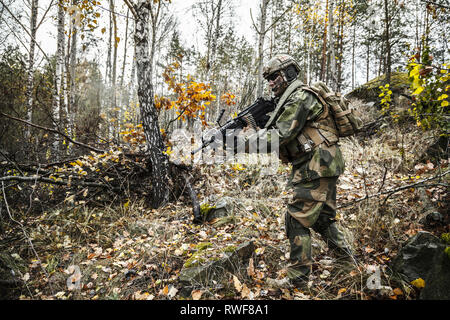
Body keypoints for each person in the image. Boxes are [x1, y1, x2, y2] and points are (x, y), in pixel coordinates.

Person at [237, 54, 353, 286]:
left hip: (316, 165)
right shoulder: (293, 98)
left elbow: (280, 136)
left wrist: (242, 142)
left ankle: (297, 281)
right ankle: (349, 264)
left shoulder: (300, 97)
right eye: (267, 79)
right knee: (322, 219)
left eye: (273, 77)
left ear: (289, 73)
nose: (270, 83)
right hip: (322, 163)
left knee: (296, 220)